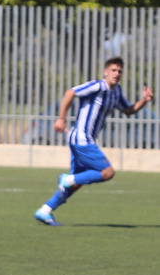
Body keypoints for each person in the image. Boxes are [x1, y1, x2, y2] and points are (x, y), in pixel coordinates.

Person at [34, 57, 154, 226]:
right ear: (105, 71)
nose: (117, 74)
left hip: (81, 139)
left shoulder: (116, 91)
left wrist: (144, 101)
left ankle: (45, 210)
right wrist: (61, 118)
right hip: (82, 139)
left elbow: (128, 110)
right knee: (107, 172)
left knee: (77, 183)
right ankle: (66, 179)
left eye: (119, 71)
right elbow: (70, 92)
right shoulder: (97, 86)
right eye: (113, 70)